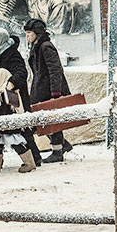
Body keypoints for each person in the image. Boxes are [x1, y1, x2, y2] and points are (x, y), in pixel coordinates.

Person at [0, 27, 38, 174]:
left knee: (9, 132)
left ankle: (29, 162)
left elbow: (21, 72)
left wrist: (11, 83)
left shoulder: (11, 55)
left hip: (9, 102)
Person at [24, 18, 73, 163]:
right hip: (40, 88)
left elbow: (55, 70)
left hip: (49, 90)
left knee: (52, 120)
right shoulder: (36, 47)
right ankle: (63, 145)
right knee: (40, 120)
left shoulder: (45, 47)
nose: (27, 36)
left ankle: (58, 151)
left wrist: (56, 94)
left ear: (37, 33)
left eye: (29, 33)